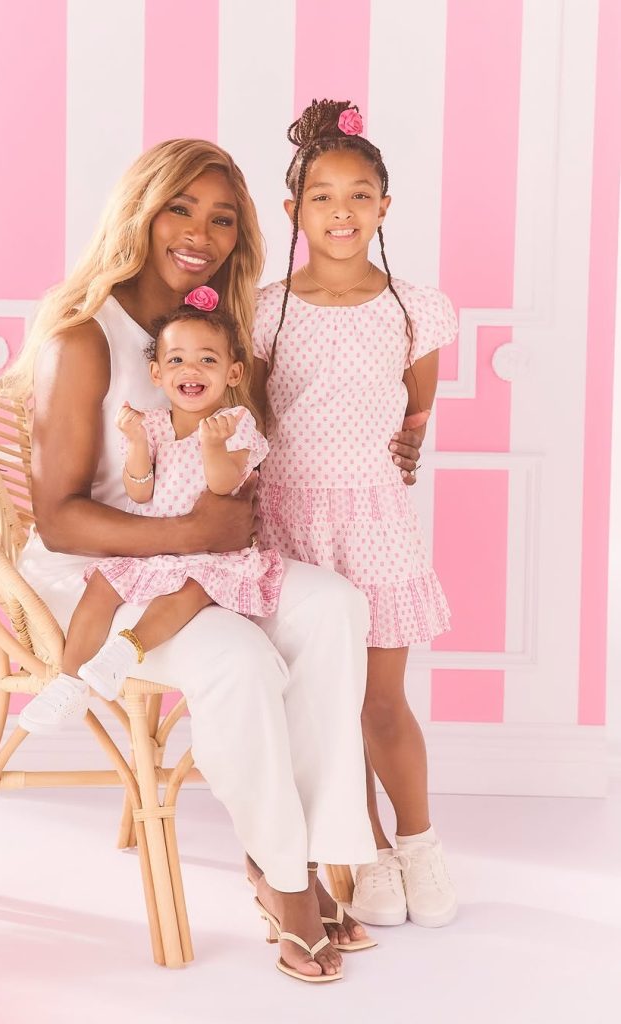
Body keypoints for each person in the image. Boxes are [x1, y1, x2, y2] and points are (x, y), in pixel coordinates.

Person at [6, 138, 422, 981]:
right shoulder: (85, 337)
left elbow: (281, 436)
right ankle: (285, 881)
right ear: (139, 213)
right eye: (180, 208)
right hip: (101, 573)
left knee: (335, 604)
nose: (200, 232)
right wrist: (192, 536)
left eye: (222, 218)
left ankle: (322, 850)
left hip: (206, 563)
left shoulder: (220, 339)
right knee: (237, 657)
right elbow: (58, 521)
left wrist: (394, 439)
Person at [252, 99, 458, 929]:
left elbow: (415, 409)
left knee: (379, 702)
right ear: (293, 209)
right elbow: (252, 416)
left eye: (359, 195)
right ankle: (363, 851)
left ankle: (418, 844)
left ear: (383, 206)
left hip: (373, 525)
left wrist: (408, 447)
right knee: (324, 705)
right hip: (289, 523)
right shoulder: (265, 310)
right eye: (322, 196)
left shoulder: (414, 308)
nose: (341, 211)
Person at [17, 295, 284, 730]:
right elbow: (139, 492)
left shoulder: (235, 424)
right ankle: (68, 683)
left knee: (190, 593)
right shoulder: (156, 424)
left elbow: (223, 484)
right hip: (157, 548)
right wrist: (138, 443)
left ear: (233, 372)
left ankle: (127, 649)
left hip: (210, 556)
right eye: (176, 360)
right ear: (157, 374)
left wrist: (213, 445)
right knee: (102, 585)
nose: (191, 370)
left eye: (207, 359)